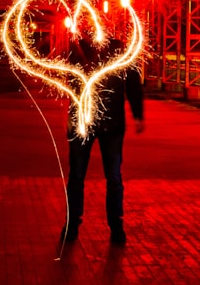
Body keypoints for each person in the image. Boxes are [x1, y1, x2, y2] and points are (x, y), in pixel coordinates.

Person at [61, 37, 145, 245]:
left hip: (108, 123)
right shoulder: (79, 48)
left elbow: (132, 81)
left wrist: (138, 113)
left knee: (108, 177)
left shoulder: (118, 48)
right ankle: (78, 225)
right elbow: (71, 81)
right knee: (82, 176)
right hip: (88, 121)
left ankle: (113, 226)